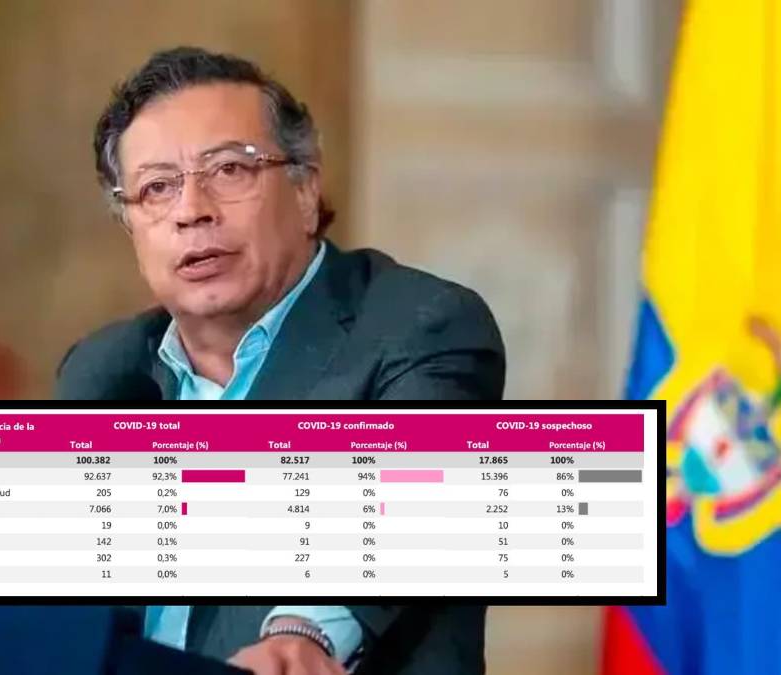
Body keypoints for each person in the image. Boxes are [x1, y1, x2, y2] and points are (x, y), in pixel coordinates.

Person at [57, 47, 505, 675]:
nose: (191, 210)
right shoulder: (102, 369)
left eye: (229, 170)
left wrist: (302, 633)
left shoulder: (419, 324)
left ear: (305, 190)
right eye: (157, 187)